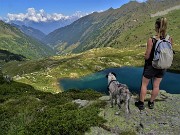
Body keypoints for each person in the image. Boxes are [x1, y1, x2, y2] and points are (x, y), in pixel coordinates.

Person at [135, 17, 173, 110]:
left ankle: (141, 103)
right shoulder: (170, 39)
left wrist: (145, 56)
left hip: (151, 66)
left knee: (144, 85)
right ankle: (151, 103)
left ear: (156, 26)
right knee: (156, 85)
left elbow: (147, 56)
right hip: (163, 66)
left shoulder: (151, 40)